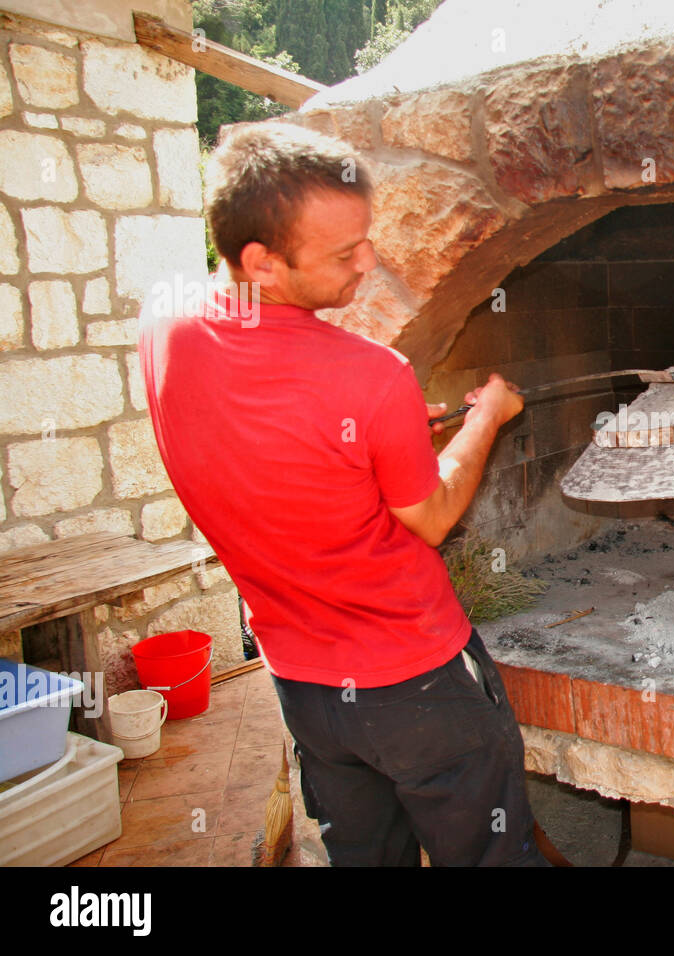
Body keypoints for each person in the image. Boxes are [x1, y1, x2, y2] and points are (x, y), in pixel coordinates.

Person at [137, 123, 546, 866]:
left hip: (305, 689)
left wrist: (375, 436)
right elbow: (431, 517)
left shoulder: (163, 328)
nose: (369, 263)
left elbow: (267, 431)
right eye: (343, 253)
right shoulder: (371, 374)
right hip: (418, 686)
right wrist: (485, 417)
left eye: (368, 238)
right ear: (260, 260)